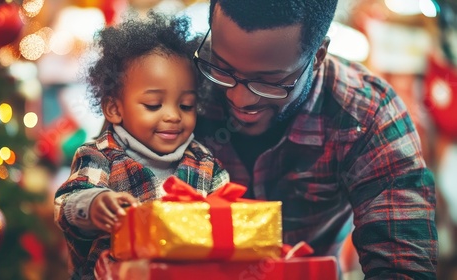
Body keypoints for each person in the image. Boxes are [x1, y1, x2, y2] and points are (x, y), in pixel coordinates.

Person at [192, 0, 438, 278]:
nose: (239, 98)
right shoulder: (176, 79)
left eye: (270, 81)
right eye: (223, 68)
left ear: (319, 56)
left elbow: (403, 266)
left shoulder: (368, 116)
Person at [54, 13, 229, 279]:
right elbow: (66, 204)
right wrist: (94, 204)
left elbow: (229, 217)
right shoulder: (100, 155)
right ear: (114, 108)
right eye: (153, 105)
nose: (173, 116)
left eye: (186, 105)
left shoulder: (205, 164)